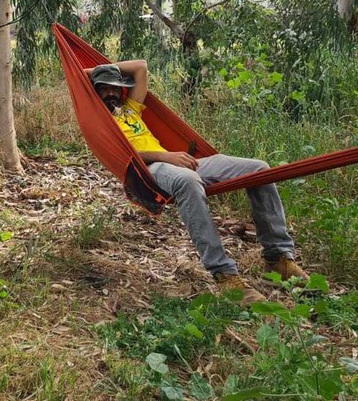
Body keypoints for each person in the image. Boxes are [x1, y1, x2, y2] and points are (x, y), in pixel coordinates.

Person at [88, 61, 309, 305]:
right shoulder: (99, 122)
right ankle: (224, 274)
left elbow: (140, 67)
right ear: (94, 92)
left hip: (176, 161)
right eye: (103, 89)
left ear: (122, 91)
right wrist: (165, 156)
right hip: (150, 169)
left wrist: (92, 70)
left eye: (115, 88)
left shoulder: (130, 109)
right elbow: (121, 156)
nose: (110, 93)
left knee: (259, 168)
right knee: (189, 180)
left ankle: (277, 258)